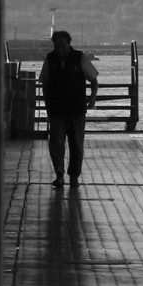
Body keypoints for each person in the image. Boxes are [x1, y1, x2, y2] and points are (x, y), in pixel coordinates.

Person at [39, 27, 98, 185]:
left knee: (76, 143)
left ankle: (74, 176)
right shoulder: (50, 59)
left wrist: (92, 98)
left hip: (77, 109)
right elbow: (45, 83)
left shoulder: (80, 58)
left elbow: (93, 80)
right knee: (56, 143)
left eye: (63, 46)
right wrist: (47, 106)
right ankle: (59, 174)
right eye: (57, 47)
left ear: (69, 44)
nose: (60, 50)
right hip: (56, 110)